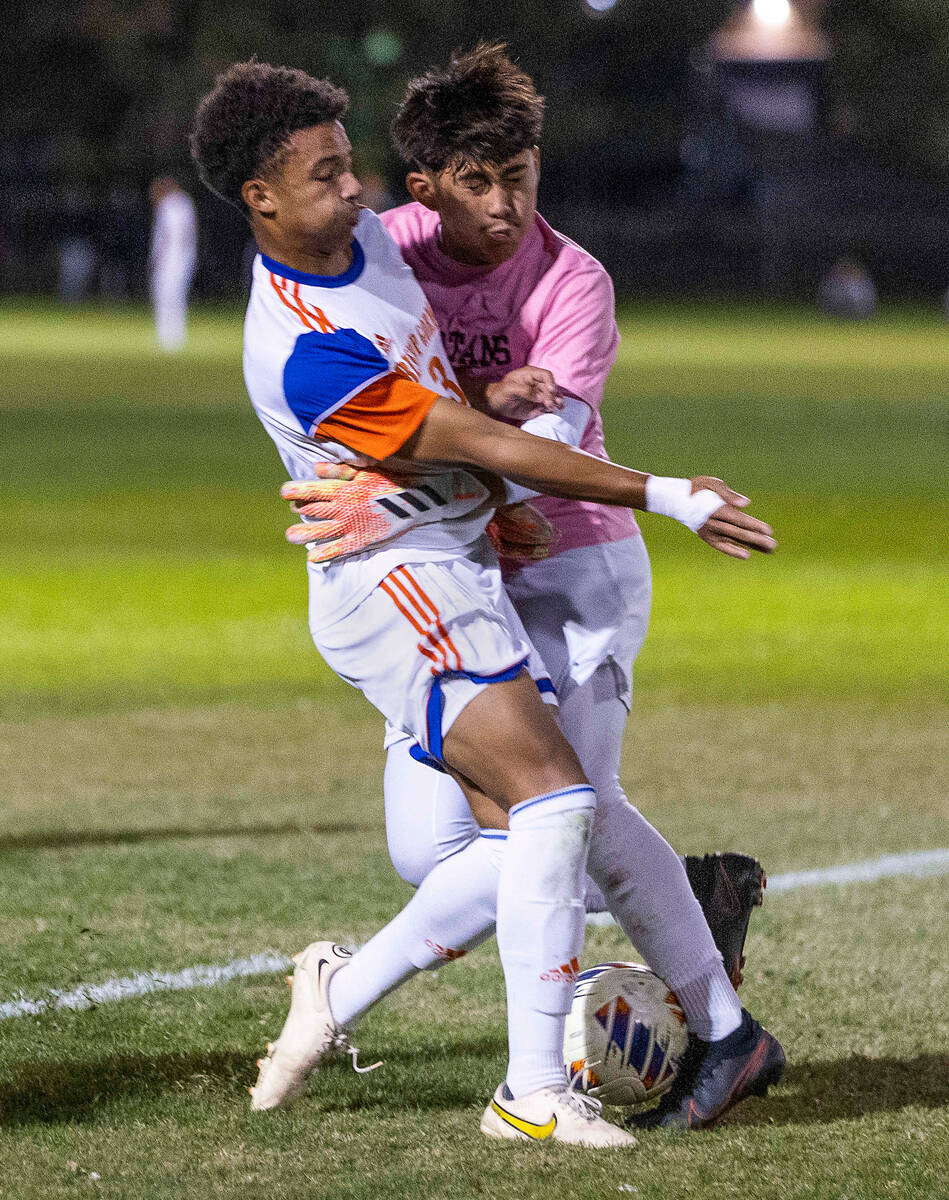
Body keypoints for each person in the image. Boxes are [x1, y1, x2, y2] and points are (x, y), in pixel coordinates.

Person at [191, 59, 783, 1146]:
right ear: (263, 199)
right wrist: (662, 491)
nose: (356, 188)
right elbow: (448, 434)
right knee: (490, 839)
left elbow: (466, 422)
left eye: (521, 173)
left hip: (545, 567)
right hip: (407, 584)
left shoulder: (435, 254)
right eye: (329, 174)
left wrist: (461, 447)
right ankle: (447, 1025)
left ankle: (584, 1064)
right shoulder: (304, 348)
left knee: (559, 815)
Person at [148, 176, 198, 351]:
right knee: (176, 296)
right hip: (184, 258)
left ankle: (168, 338)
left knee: (166, 296)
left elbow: (168, 236)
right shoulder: (185, 203)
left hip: (171, 259)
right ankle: (174, 337)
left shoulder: (169, 205)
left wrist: (158, 259)